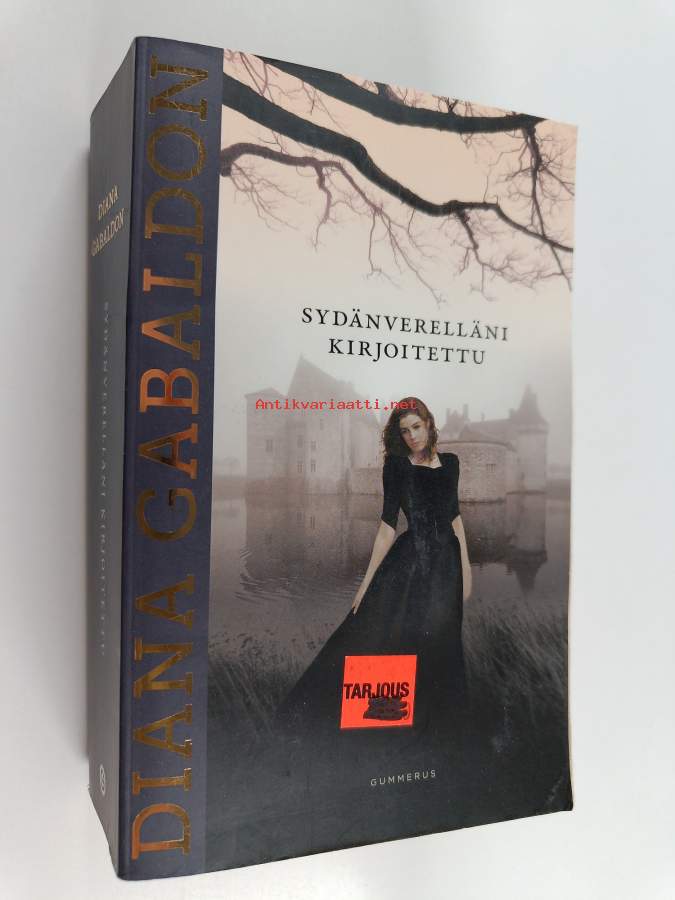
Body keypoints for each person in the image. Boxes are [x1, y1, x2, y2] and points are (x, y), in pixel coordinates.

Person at [274, 397, 471, 754]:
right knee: (382, 635)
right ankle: (382, 727)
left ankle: (437, 732)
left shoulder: (452, 463)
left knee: (441, 641)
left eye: (416, 426)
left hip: (447, 567)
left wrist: (467, 569)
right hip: (410, 564)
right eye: (404, 431)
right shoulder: (396, 466)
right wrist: (364, 584)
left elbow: (455, 517)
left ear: (429, 424)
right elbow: (386, 526)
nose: (412, 436)